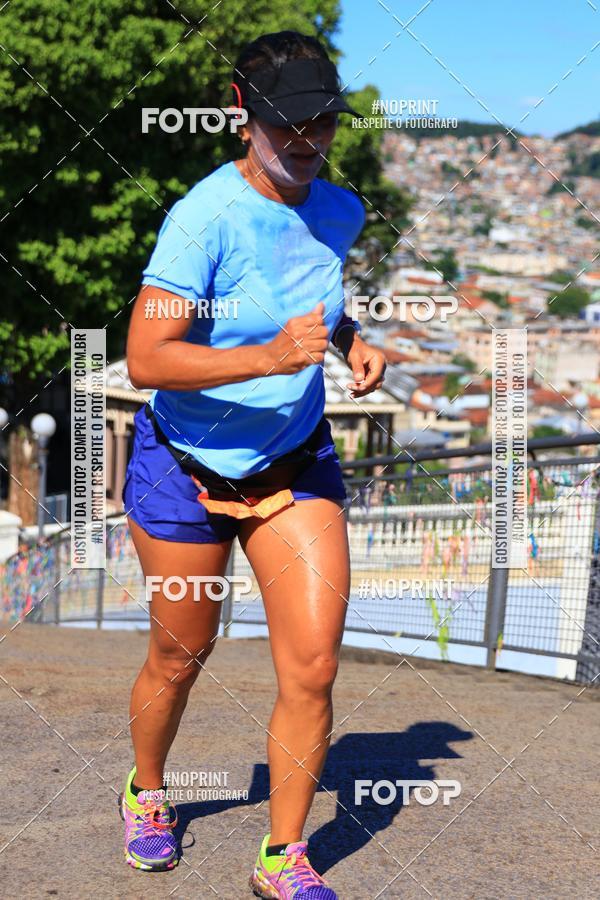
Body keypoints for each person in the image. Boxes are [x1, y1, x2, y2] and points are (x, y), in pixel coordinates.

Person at [120, 30, 386, 898]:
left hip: (292, 461)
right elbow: (148, 359)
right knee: (178, 652)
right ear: (241, 112)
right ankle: (149, 792)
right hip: (186, 461)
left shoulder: (339, 208)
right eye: (287, 124)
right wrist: (272, 357)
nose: (306, 141)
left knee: (312, 665)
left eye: (322, 124)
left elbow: (309, 298)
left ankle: (283, 856)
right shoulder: (203, 219)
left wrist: (350, 341)